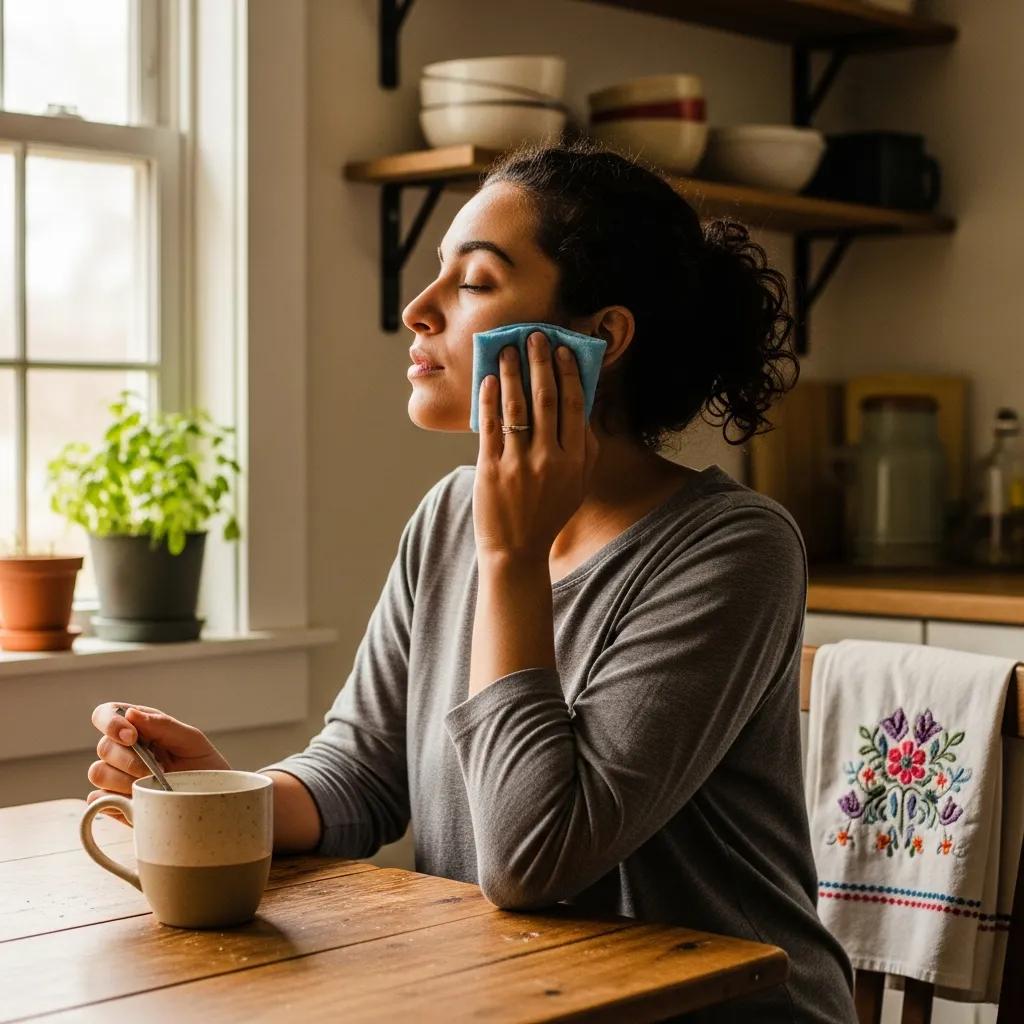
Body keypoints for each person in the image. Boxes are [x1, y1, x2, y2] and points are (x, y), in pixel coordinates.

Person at [88, 139, 856, 1022]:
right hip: (516, 1001)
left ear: (601, 337)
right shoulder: (452, 514)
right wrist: (233, 798)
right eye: (436, 276)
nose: (419, 310)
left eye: (476, 283)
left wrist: (513, 557)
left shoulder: (735, 549)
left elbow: (535, 858)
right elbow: (365, 773)